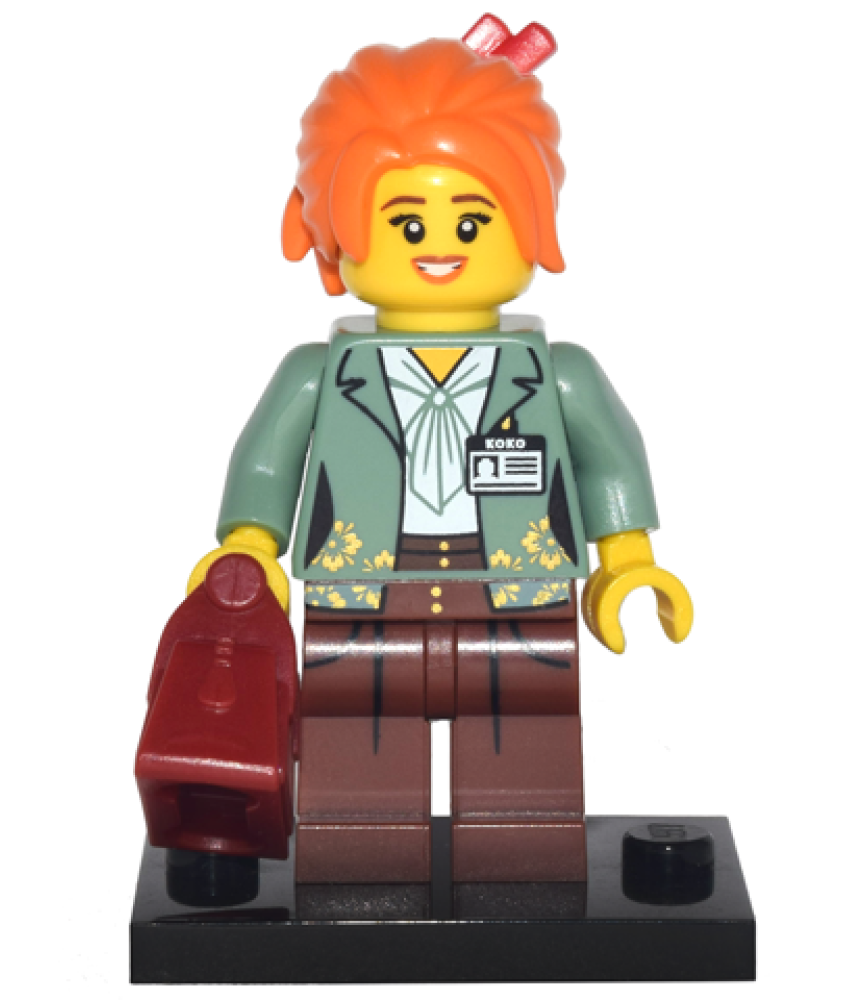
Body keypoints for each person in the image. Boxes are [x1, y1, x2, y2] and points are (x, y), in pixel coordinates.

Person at [187, 19, 692, 883]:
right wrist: (249, 550)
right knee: (356, 743)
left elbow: (610, 459)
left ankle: (524, 882)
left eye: (472, 217)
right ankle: (360, 881)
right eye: (407, 224)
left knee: (524, 737)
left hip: (519, 589)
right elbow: (267, 463)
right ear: (337, 228)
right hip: (359, 590)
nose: (442, 247)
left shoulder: (557, 374)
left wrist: (626, 562)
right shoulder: (318, 374)